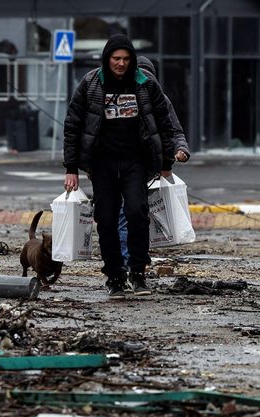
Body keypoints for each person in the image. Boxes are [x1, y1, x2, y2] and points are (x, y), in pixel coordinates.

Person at [62, 34, 188, 295]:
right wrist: (71, 168)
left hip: (135, 161)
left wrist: (166, 163)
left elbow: (163, 125)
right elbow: (73, 125)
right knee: (106, 219)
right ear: (107, 59)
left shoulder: (145, 83)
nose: (121, 64)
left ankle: (138, 272)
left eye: (126, 59)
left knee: (137, 212)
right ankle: (114, 275)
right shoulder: (90, 83)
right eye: (116, 59)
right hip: (103, 163)